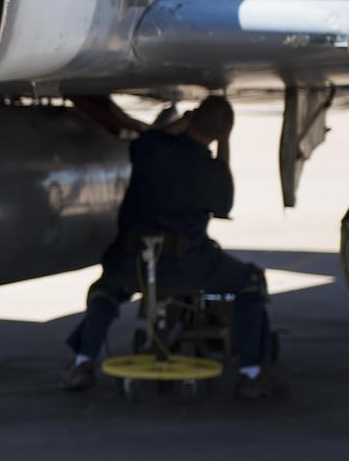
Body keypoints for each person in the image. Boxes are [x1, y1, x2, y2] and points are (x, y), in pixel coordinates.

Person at [61, 95, 286, 400]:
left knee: (105, 290)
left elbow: (148, 139)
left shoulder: (151, 148)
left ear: (190, 119)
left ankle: (82, 363)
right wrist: (223, 143)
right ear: (222, 133)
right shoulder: (212, 171)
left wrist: (182, 124)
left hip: (131, 264)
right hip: (188, 267)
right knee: (250, 282)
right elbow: (223, 203)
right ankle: (251, 374)